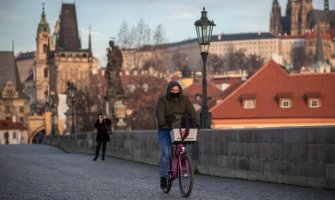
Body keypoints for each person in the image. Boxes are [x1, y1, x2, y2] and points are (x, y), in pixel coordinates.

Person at [156, 81, 199, 189]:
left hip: (180, 128)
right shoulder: (163, 100)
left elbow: (192, 112)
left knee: (182, 150)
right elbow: (160, 113)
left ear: (180, 90)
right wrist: (162, 123)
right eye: (173, 90)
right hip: (166, 129)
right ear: (169, 90)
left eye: (177, 90)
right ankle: (163, 177)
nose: (175, 92)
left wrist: (196, 123)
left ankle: (183, 167)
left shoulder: (185, 99)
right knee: (167, 153)